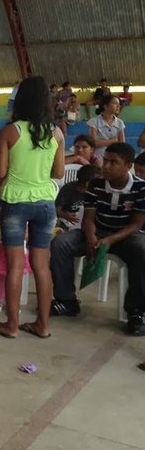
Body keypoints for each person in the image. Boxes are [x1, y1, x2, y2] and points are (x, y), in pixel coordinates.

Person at [0, 75, 64, 339]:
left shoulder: (10, 131)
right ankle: (42, 325)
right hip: (46, 203)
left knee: (15, 266)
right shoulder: (56, 133)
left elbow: (2, 170)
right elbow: (58, 172)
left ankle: (12, 325)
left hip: (16, 202)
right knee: (42, 266)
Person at [50, 143, 145, 336]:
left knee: (142, 250)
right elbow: (89, 218)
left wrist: (110, 240)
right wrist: (91, 236)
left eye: (113, 162)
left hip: (125, 236)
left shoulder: (141, 187)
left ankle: (136, 312)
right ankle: (66, 300)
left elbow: (136, 224)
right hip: (97, 230)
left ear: (128, 165)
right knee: (61, 243)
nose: (106, 166)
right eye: (106, 160)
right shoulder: (96, 184)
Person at [56, 165, 100, 231]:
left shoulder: (96, 192)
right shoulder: (68, 189)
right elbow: (56, 210)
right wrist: (65, 215)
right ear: (87, 183)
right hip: (67, 220)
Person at [88, 94, 124, 160]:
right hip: (98, 157)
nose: (118, 106)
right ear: (105, 106)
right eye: (115, 103)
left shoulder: (120, 122)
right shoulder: (94, 122)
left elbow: (121, 144)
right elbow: (94, 143)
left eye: (119, 104)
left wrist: (101, 142)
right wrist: (114, 140)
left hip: (114, 157)